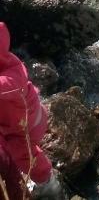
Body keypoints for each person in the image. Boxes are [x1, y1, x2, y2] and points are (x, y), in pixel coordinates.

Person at [0, 23, 57, 199]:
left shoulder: (13, 70)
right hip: (9, 124)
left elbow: (7, 86)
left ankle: (48, 182)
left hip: (27, 125)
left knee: (24, 154)